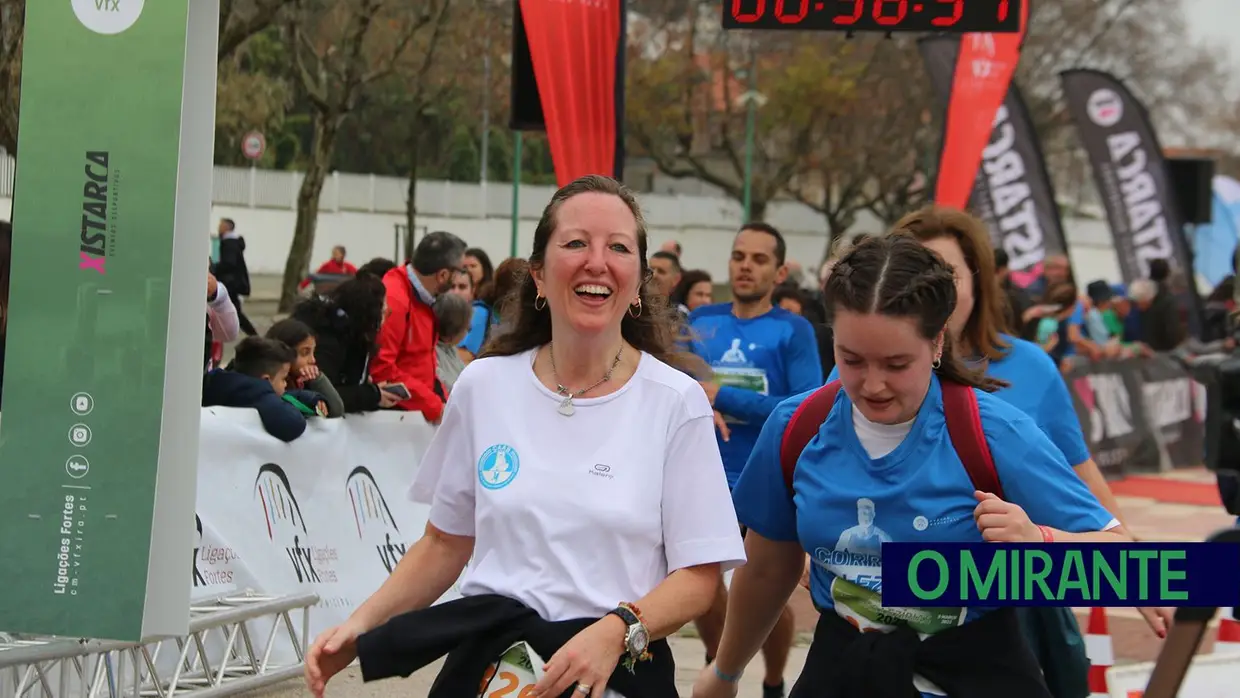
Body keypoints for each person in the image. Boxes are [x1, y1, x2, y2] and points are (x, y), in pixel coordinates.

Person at [303, 175, 746, 698]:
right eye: (576, 242)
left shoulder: (676, 401)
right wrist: (362, 624)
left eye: (619, 247)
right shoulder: (484, 384)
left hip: (614, 670)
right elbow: (445, 542)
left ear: (638, 282)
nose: (596, 262)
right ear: (538, 274)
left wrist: (614, 631)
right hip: (489, 668)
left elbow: (698, 577)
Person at [693, 234, 1133, 698]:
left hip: (973, 670)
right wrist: (725, 673)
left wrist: (1039, 541)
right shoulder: (796, 427)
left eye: (897, 363)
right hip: (845, 668)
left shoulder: (996, 433)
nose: (874, 385)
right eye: (852, 360)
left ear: (937, 342)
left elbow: (1126, 565)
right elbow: (766, 569)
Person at [686, 222, 822, 698]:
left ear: (780, 270)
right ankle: (717, 668)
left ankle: (771, 680)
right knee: (699, 584)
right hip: (703, 474)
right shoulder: (700, 321)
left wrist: (722, 395)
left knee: (764, 593)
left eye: (759, 259)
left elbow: (805, 410)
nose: (745, 266)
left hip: (761, 477)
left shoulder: (794, 331)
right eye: (739, 255)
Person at [372, 231, 469, 421]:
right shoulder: (396, 300)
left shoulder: (422, 297)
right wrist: (434, 406)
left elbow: (425, 360)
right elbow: (382, 369)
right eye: (460, 271)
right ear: (443, 274)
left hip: (417, 412)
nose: (459, 278)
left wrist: (443, 402)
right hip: (398, 421)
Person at [291, 275, 404, 414]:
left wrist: (369, 389)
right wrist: (371, 395)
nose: (385, 317)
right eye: (383, 311)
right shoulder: (329, 340)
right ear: (369, 315)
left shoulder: (352, 335)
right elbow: (327, 395)